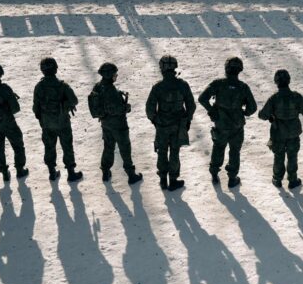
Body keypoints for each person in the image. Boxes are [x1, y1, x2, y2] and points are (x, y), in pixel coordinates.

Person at [198, 57, 256, 188]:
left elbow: (202, 98)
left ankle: (214, 173)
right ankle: (232, 178)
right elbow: (253, 107)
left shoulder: (218, 84)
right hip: (237, 126)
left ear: (226, 69)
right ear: (239, 70)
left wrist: (212, 111)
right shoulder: (243, 87)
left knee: (218, 148)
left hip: (221, 125)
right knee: (235, 152)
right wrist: (243, 113)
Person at [146, 55, 195, 191]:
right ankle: (173, 180)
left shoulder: (158, 87)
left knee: (162, 151)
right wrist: (188, 119)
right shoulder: (183, 85)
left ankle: (162, 179)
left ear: (162, 68)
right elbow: (191, 105)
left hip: (162, 125)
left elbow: (150, 108)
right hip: (178, 125)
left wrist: (155, 120)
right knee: (174, 152)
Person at [87, 63, 142, 184]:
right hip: (119, 125)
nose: (116, 76)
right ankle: (131, 174)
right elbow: (115, 109)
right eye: (114, 74)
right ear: (110, 75)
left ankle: (105, 171)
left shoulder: (98, 86)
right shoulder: (111, 90)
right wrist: (126, 108)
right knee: (125, 148)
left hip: (105, 123)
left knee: (108, 147)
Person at [258, 69, 303, 189]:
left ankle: (277, 179)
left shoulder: (274, 98)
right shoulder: (296, 97)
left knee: (279, 156)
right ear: (289, 80)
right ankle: (293, 180)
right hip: (293, 133)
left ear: (276, 82)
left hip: (278, 134)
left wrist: (270, 115)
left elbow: (262, 115)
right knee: (292, 156)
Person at [33, 57, 82, 182]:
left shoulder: (39, 87)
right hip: (63, 123)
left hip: (47, 124)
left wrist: (42, 120)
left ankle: (52, 172)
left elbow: (35, 108)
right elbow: (74, 100)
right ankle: (71, 173)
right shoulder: (63, 86)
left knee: (49, 147)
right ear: (56, 68)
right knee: (67, 146)